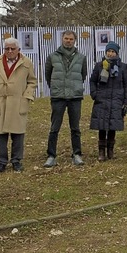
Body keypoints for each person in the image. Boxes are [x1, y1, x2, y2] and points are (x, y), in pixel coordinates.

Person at [0, 37, 38, 173]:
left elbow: (32, 81)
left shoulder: (26, 63)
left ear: (18, 49)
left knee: (18, 134)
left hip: (18, 102)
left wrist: (27, 96)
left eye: (12, 49)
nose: (9, 51)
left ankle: (16, 161)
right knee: (1, 134)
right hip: (0, 102)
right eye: (7, 48)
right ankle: (1, 162)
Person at [43, 30, 88, 168]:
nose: (68, 41)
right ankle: (51, 155)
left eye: (71, 39)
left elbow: (83, 74)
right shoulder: (52, 57)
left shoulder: (81, 57)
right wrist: (57, 88)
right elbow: (48, 75)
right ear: (62, 39)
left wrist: (74, 87)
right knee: (54, 127)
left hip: (75, 96)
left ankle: (77, 154)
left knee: (75, 127)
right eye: (66, 38)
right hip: (58, 96)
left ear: (75, 40)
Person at [89, 41, 127, 161]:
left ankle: (110, 150)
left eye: (113, 51)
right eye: (108, 51)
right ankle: (101, 151)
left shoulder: (122, 67)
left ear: (117, 53)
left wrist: (126, 100)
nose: (110, 54)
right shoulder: (99, 65)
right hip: (101, 99)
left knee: (113, 125)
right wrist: (94, 94)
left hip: (117, 100)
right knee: (102, 125)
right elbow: (92, 81)